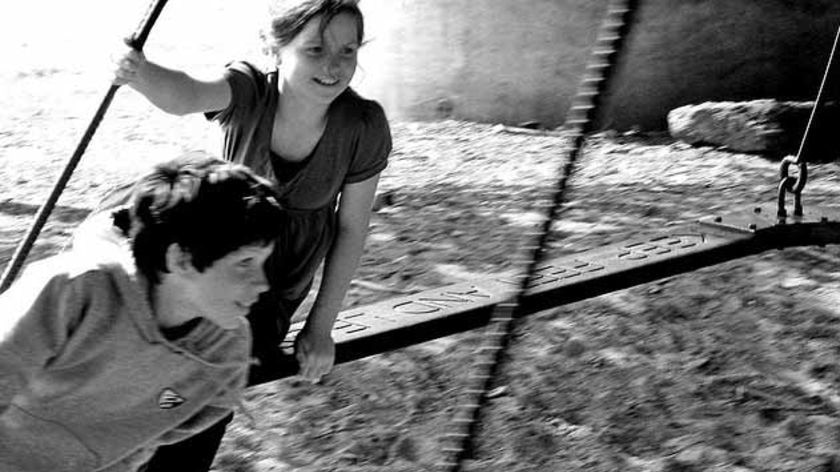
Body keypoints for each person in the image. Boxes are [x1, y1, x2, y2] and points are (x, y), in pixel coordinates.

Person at [109, 0, 392, 469]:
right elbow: (185, 94)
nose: (333, 65)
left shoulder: (361, 125)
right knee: (143, 350)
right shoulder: (249, 91)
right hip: (204, 261)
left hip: (264, 290)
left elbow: (351, 228)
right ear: (276, 49)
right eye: (315, 49)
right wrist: (140, 72)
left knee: (206, 381)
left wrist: (321, 326)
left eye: (347, 50)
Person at [0, 153, 285, 472]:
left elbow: (159, 429)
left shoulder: (226, 348)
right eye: (245, 262)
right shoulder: (72, 291)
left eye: (264, 262)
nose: (262, 283)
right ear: (181, 259)